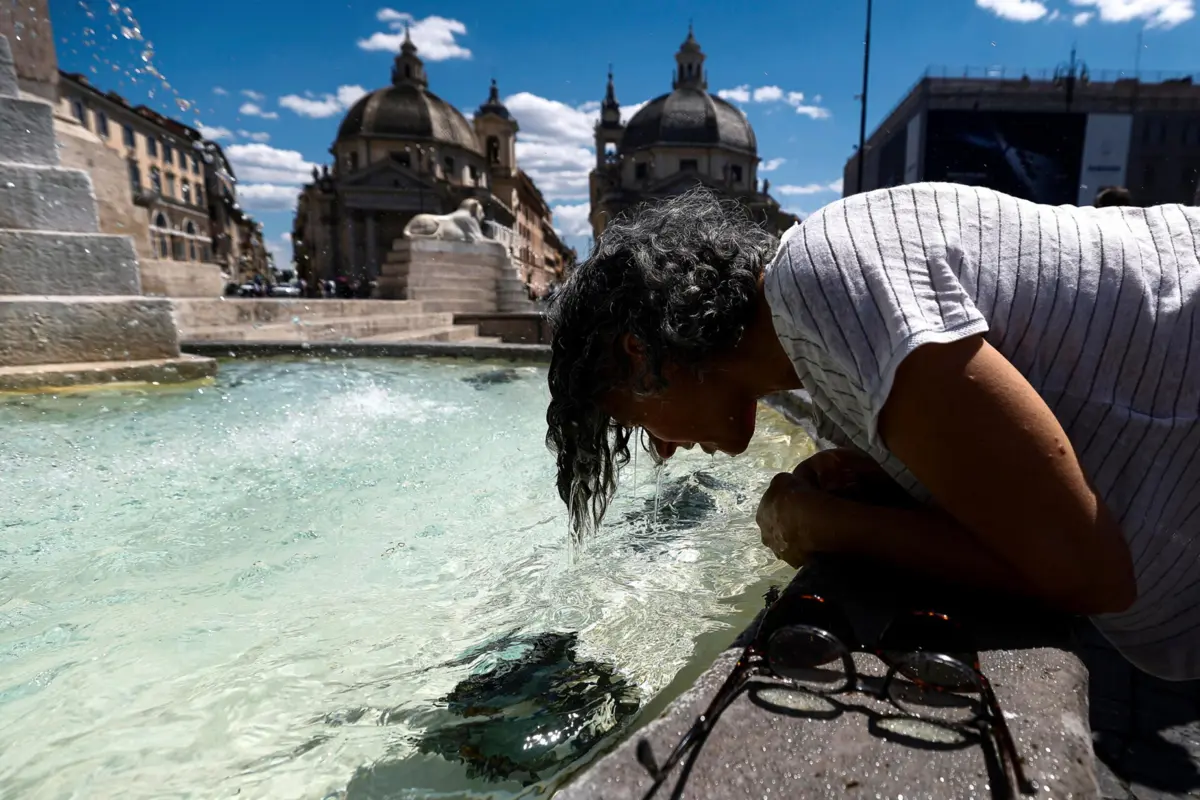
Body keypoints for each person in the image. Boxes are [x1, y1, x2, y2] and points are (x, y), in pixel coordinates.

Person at [545, 184, 1200, 680]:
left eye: (633, 423)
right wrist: (890, 478)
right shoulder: (826, 335)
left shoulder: (821, 287)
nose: (661, 449)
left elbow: (1094, 575)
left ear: (639, 353)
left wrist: (829, 530)